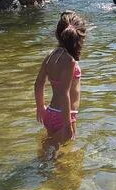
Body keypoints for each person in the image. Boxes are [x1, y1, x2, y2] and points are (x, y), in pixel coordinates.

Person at [34, 11, 86, 144]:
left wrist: (40, 107)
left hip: (50, 112)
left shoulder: (50, 56)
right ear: (80, 39)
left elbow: (39, 82)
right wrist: (68, 125)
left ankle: (43, 161)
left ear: (58, 35)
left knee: (51, 148)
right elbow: (64, 94)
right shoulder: (70, 62)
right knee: (70, 157)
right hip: (65, 116)